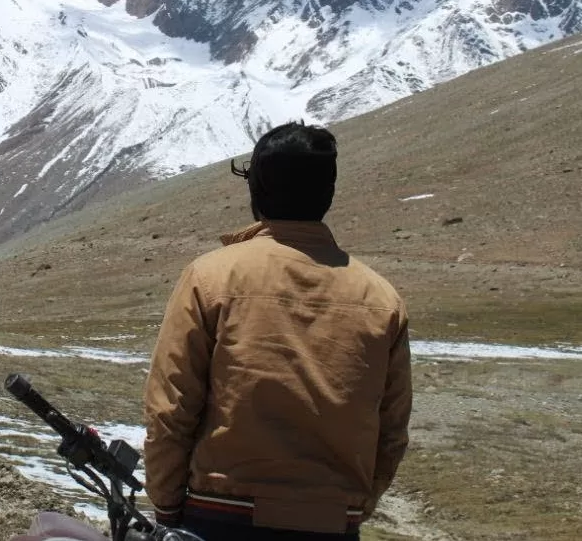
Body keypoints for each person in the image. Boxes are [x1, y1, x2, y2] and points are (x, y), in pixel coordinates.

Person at [142, 122, 412, 540]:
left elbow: (171, 408)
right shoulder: (381, 298)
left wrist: (166, 506)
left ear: (258, 191)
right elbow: (391, 430)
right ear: (328, 192)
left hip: (217, 515)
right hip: (330, 521)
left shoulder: (211, 277)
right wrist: (352, 506)